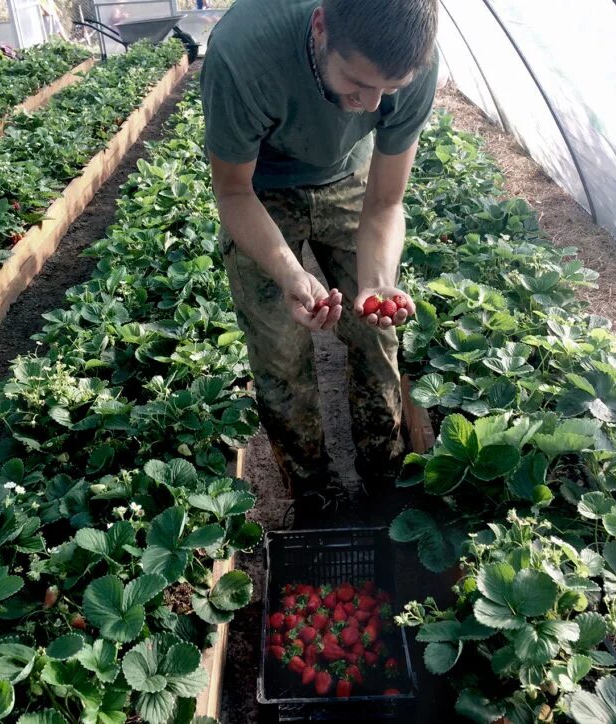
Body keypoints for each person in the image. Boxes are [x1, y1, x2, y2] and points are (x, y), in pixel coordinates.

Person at [201, 0, 438, 526]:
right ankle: (314, 497)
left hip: (348, 179)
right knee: (281, 354)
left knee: (377, 338)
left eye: (388, 90)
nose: (368, 104)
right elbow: (233, 192)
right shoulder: (243, 53)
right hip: (260, 188)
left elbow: (385, 202)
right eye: (356, 82)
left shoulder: (413, 60)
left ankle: (383, 485)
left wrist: (377, 283)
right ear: (320, 26)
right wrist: (290, 272)